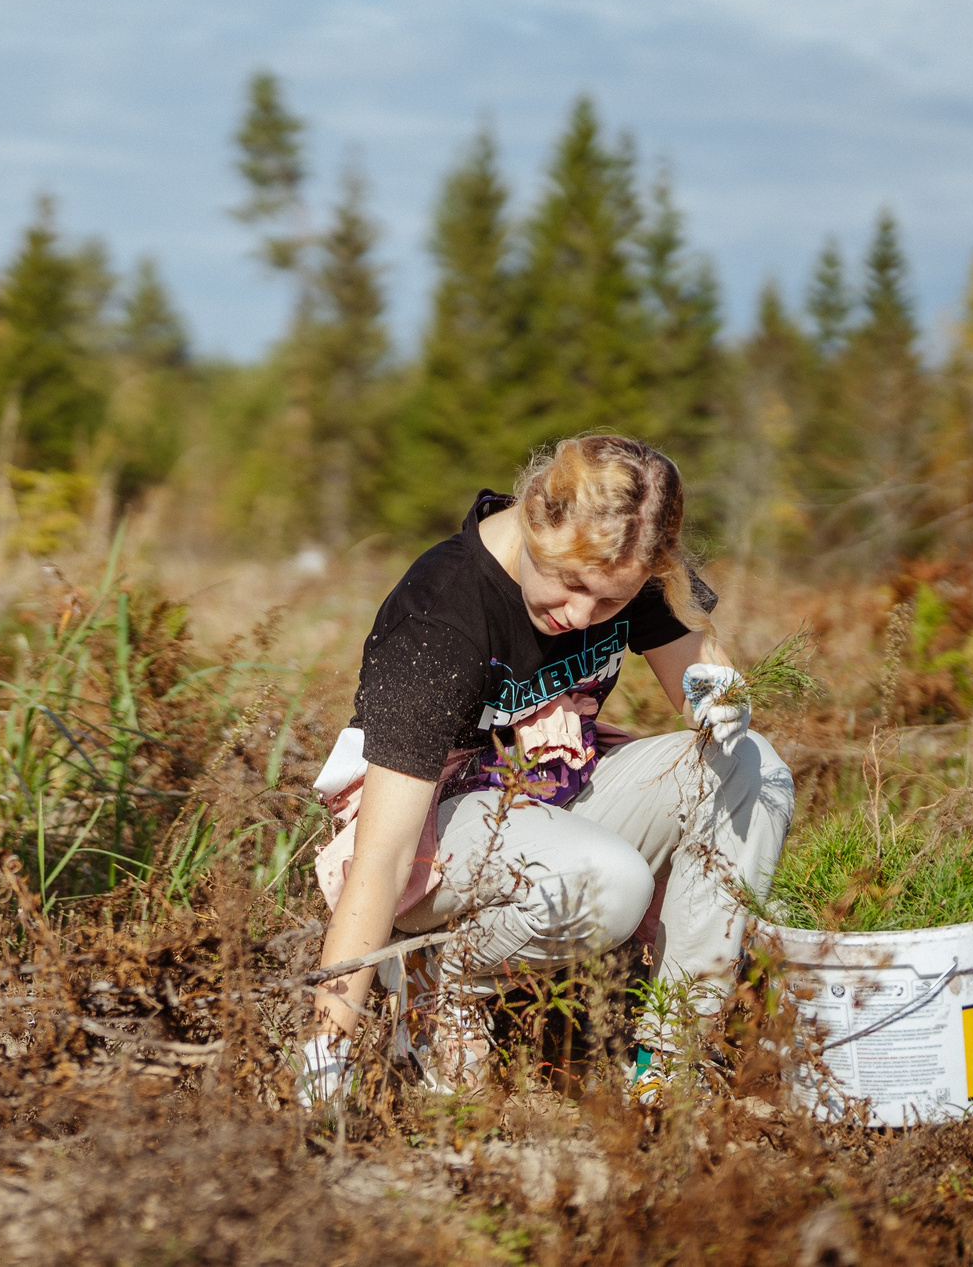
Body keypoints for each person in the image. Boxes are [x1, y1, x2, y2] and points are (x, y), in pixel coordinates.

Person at [300, 435, 795, 1107]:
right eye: (572, 585)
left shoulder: (618, 562)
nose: (582, 617)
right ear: (537, 514)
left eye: (610, 603)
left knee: (753, 765)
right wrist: (325, 1049)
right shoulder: (443, 614)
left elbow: (703, 679)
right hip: (436, 836)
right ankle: (438, 972)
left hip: (552, 792)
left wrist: (721, 700)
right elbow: (381, 854)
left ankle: (671, 1058)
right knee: (610, 884)